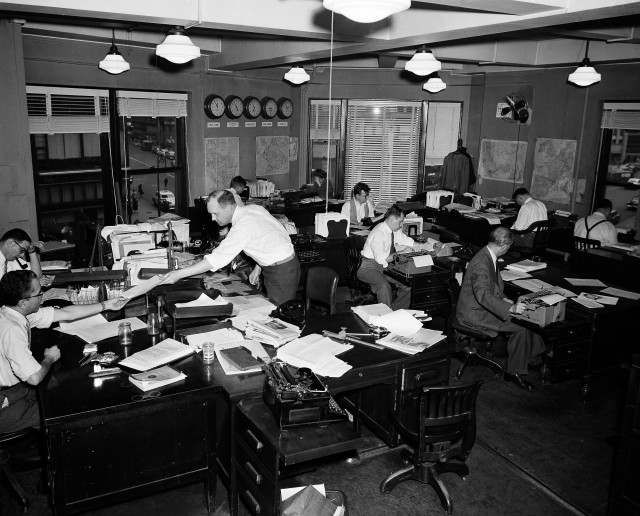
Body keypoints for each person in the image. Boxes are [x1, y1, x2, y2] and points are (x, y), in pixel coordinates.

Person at [0, 270, 128, 433]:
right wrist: (49, 358)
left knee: (63, 387)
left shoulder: (12, 312)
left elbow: (67, 313)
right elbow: (34, 378)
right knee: (68, 410)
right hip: (5, 405)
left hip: (14, 391)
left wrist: (106, 305)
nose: (43, 297)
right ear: (23, 302)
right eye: (39, 294)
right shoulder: (12, 329)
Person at [158, 190, 300, 305]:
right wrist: (258, 267)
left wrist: (178, 274)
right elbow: (273, 235)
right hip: (282, 264)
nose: (213, 219)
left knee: (280, 319)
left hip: (281, 271)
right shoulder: (253, 209)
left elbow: (216, 259)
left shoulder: (242, 227)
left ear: (229, 207)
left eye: (215, 213)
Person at [455, 227, 546, 390]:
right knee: (522, 325)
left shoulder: (488, 255)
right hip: (474, 314)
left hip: (478, 308)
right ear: (505, 246)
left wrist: (504, 299)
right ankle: (514, 372)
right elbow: (484, 296)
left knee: (528, 318)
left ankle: (531, 357)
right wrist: (510, 308)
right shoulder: (482, 263)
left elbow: (494, 287)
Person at [357, 204, 439, 310]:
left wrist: (423, 247)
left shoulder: (393, 230)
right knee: (384, 286)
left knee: (408, 284)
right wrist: (402, 252)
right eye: (400, 222)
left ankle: (395, 311)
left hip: (383, 267)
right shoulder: (379, 232)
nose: (401, 225)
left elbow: (407, 241)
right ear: (392, 219)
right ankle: (386, 317)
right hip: (367, 267)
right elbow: (380, 259)